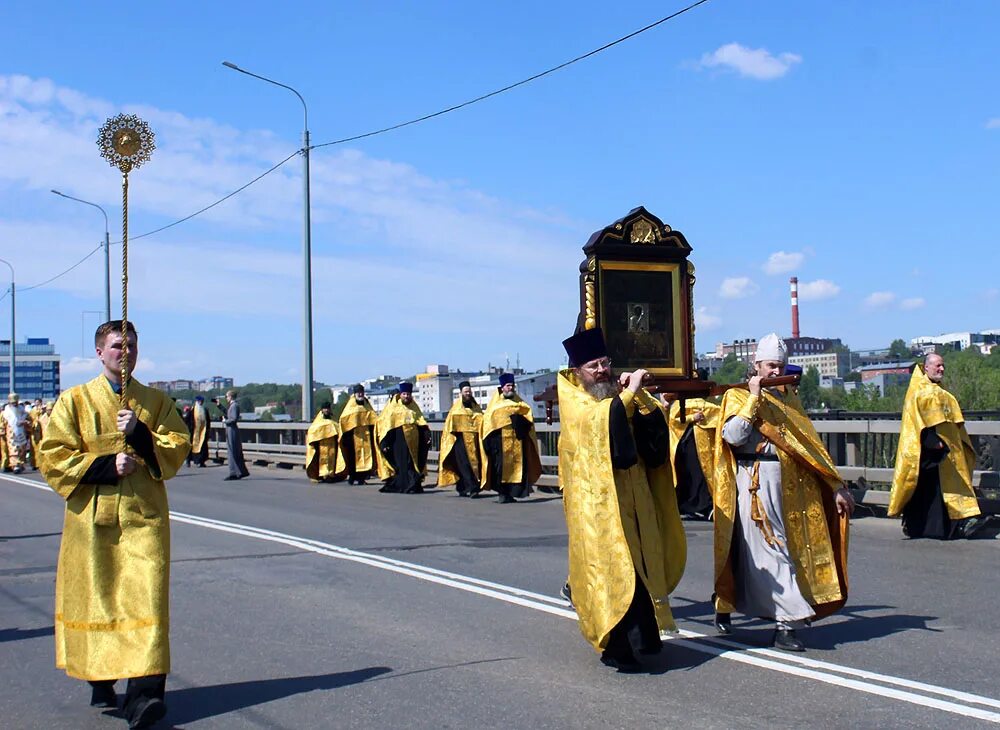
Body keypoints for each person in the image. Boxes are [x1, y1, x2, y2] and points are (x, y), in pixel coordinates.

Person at [36, 320, 190, 728]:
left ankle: (144, 697)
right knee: (99, 597)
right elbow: (52, 456)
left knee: (146, 602)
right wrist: (104, 464)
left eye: (132, 346)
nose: (126, 352)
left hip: (145, 520)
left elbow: (178, 446)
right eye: (118, 346)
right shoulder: (75, 401)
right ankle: (101, 675)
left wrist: (140, 435)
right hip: (92, 522)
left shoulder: (155, 402)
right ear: (100, 352)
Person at [712, 333, 854, 652]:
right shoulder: (736, 396)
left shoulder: (789, 398)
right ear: (757, 365)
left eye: (779, 366)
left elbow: (809, 446)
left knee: (785, 551)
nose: (775, 372)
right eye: (770, 366)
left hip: (793, 487)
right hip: (756, 484)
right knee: (770, 551)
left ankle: (731, 603)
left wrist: (834, 485)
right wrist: (753, 400)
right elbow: (733, 436)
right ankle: (785, 624)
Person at [558, 328, 686, 671]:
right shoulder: (577, 403)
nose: (601, 371)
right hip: (599, 510)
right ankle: (617, 647)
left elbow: (648, 431)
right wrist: (629, 393)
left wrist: (639, 396)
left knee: (639, 566)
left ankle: (643, 639)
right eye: (593, 366)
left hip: (632, 497)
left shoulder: (613, 396)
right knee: (613, 570)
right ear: (577, 372)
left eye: (605, 363)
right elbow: (601, 425)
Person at [888, 354, 984, 539]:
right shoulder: (919, 391)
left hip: (949, 453)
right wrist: (935, 443)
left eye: (943, 366)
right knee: (932, 492)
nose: (942, 369)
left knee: (944, 490)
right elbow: (918, 424)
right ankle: (932, 527)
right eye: (938, 366)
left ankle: (958, 524)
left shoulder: (942, 391)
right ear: (926, 367)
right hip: (931, 453)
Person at [481, 373, 542, 504]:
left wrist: (520, 421)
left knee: (517, 467)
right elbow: (488, 423)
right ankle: (502, 494)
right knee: (500, 468)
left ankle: (512, 493)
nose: (510, 388)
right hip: (499, 442)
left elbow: (528, 419)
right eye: (508, 386)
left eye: (512, 386)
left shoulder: (520, 404)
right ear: (502, 387)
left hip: (517, 441)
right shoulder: (495, 406)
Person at [667, 395, 720, 520]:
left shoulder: (709, 405)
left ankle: (705, 507)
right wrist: (692, 418)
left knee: (701, 476)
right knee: (686, 475)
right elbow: (674, 421)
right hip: (685, 444)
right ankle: (686, 506)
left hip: (702, 447)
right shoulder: (679, 404)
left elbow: (718, 417)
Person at [377, 382, 431, 493]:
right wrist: (385, 443)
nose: (406, 396)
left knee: (412, 464)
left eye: (408, 394)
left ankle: (413, 485)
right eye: (404, 394)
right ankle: (407, 486)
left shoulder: (414, 407)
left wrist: (426, 435)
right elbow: (388, 427)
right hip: (399, 441)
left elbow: (421, 423)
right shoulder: (394, 409)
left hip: (414, 443)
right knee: (403, 464)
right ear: (401, 394)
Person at [437, 381, 484, 497]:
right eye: (465, 392)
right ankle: (472, 489)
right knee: (464, 465)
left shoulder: (476, 409)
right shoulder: (456, 409)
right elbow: (449, 427)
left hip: (475, 441)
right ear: (461, 393)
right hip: (460, 442)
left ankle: (466, 487)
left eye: (469, 391)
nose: (468, 394)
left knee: (475, 465)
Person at [339, 384, 379, 485]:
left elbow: (373, 417)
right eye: (358, 393)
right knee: (353, 458)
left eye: (362, 392)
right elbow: (344, 420)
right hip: (353, 437)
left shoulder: (366, 404)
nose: (360, 394)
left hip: (366, 435)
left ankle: (362, 478)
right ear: (355, 394)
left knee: (365, 457)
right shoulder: (350, 406)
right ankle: (352, 477)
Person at [306, 401, 344, 483]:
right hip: (322, 443)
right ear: (322, 410)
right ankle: (323, 474)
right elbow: (313, 429)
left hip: (332, 443)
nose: (326, 410)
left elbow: (337, 427)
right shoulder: (318, 421)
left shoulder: (332, 419)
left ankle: (331, 474)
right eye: (325, 409)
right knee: (323, 458)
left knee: (332, 458)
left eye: (327, 409)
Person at [218, 390, 249, 481]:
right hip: (230, 429)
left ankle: (234, 473)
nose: (226, 398)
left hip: (232, 429)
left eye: (227, 396)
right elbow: (228, 413)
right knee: (234, 451)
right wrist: (219, 405)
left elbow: (234, 419)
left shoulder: (234, 406)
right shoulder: (232, 406)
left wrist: (225, 421)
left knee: (232, 452)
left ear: (231, 396)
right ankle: (240, 472)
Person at [2, 392, 29, 474]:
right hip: (11, 433)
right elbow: (3, 423)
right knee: (13, 449)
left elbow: (27, 418)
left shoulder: (22, 410)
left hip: (21, 432)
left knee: (22, 449)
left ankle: (20, 464)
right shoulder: (5, 412)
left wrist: (24, 422)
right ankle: (15, 465)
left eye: (16, 402)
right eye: (13, 403)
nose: (15, 404)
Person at [190, 395, 211, 468]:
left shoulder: (205, 410)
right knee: (196, 446)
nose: (201, 403)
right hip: (195, 431)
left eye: (202, 401)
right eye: (200, 401)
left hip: (203, 431)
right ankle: (197, 461)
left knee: (203, 447)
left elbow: (208, 420)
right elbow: (189, 420)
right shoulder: (193, 410)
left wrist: (208, 429)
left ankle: (202, 461)